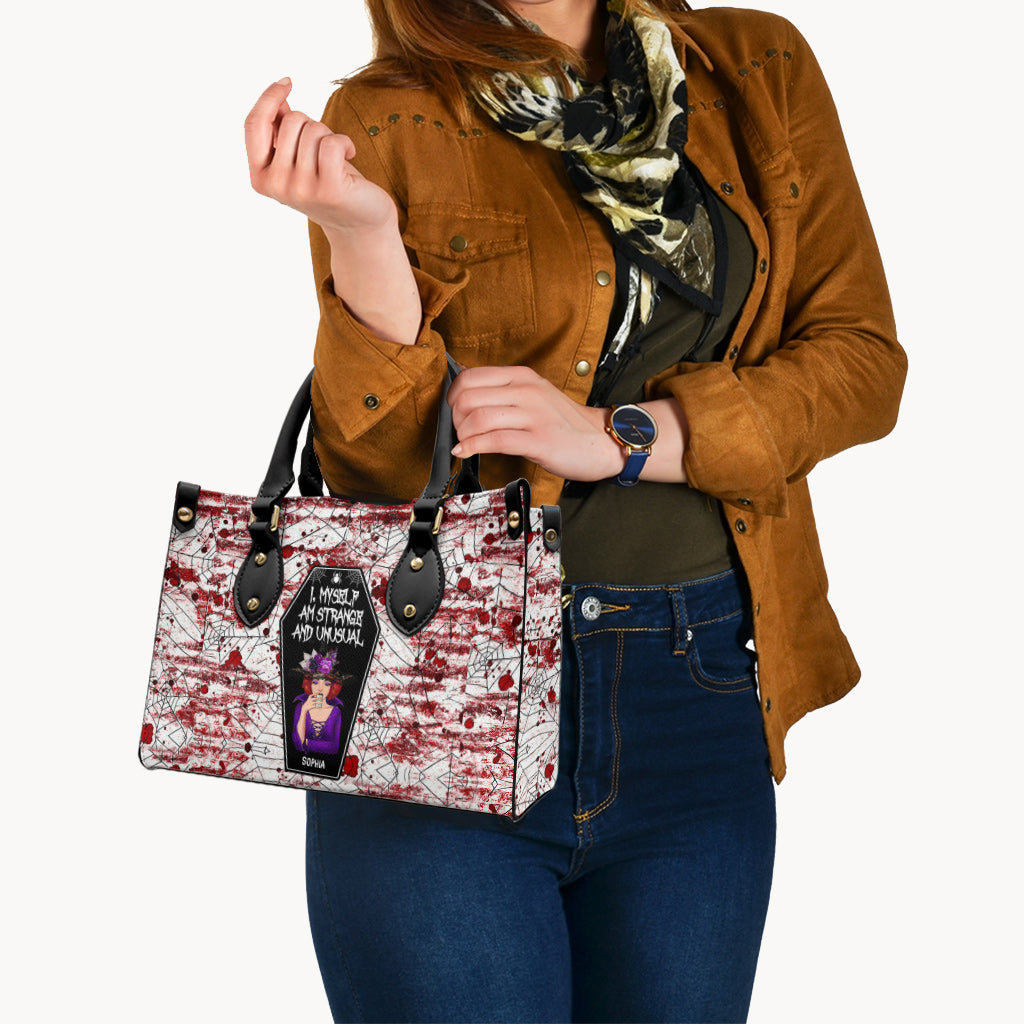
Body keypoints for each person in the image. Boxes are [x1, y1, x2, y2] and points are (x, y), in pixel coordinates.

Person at [243, 1, 906, 1020]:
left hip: (696, 691)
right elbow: (379, 479)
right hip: (449, 690)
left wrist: (620, 436)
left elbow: (860, 362)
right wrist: (360, 234)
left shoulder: (754, 68)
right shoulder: (389, 114)